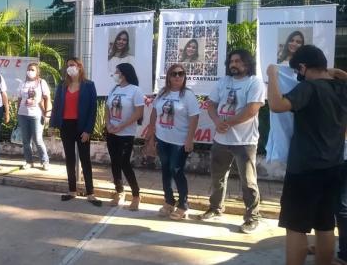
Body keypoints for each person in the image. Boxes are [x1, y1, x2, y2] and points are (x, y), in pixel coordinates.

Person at [266, 45, 347, 265]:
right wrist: (338, 73)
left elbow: (276, 105)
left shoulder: (309, 88)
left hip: (304, 170)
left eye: (296, 70)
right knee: (325, 225)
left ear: (302, 67)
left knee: (296, 227)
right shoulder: (341, 88)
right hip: (334, 167)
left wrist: (272, 75)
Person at [198, 49, 265, 234]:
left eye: (238, 61)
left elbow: (252, 109)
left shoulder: (255, 82)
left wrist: (228, 123)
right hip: (221, 139)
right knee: (217, 177)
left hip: (245, 141)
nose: (233, 64)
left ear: (247, 63)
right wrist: (218, 122)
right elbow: (211, 104)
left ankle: (252, 217)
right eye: (231, 61)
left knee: (248, 181)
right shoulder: (224, 81)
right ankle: (215, 208)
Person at [146, 64, 199, 220]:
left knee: (176, 171)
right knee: (166, 171)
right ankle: (169, 202)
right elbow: (155, 111)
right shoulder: (163, 93)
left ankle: (183, 206)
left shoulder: (188, 95)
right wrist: (151, 133)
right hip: (163, 139)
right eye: (174, 74)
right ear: (168, 76)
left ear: (184, 77)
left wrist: (189, 140)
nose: (177, 77)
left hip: (179, 142)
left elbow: (194, 117)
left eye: (181, 74)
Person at [50, 57, 102, 206]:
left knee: (85, 160)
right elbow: (56, 106)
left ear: (79, 67)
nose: (69, 68)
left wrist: (88, 130)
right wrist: (52, 125)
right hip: (66, 126)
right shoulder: (62, 85)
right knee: (70, 159)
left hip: (81, 127)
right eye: (68, 66)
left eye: (72, 65)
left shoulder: (89, 85)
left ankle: (90, 193)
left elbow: (93, 110)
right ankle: (72, 190)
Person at [105, 63, 144, 210]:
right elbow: (107, 108)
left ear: (124, 74)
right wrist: (108, 124)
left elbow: (139, 112)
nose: (114, 74)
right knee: (114, 162)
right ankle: (119, 191)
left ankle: (136, 195)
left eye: (117, 72)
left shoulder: (135, 90)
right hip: (111, 132)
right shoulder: (114, 89)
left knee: (124, 163)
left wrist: (122, 126)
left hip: (126, 133)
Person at [17, 63, 51, 170]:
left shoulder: (41, 82)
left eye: (32, 70)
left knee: (38, 139)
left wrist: (47, 115)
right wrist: (17, 112)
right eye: (28, 69)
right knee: (26, 141)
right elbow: (19, 99)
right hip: (23, 115)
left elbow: (47, 98)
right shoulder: (22, 83)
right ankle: (29, 161)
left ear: (37, 72)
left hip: (36, 115)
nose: (30, 71)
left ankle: (45, 161)